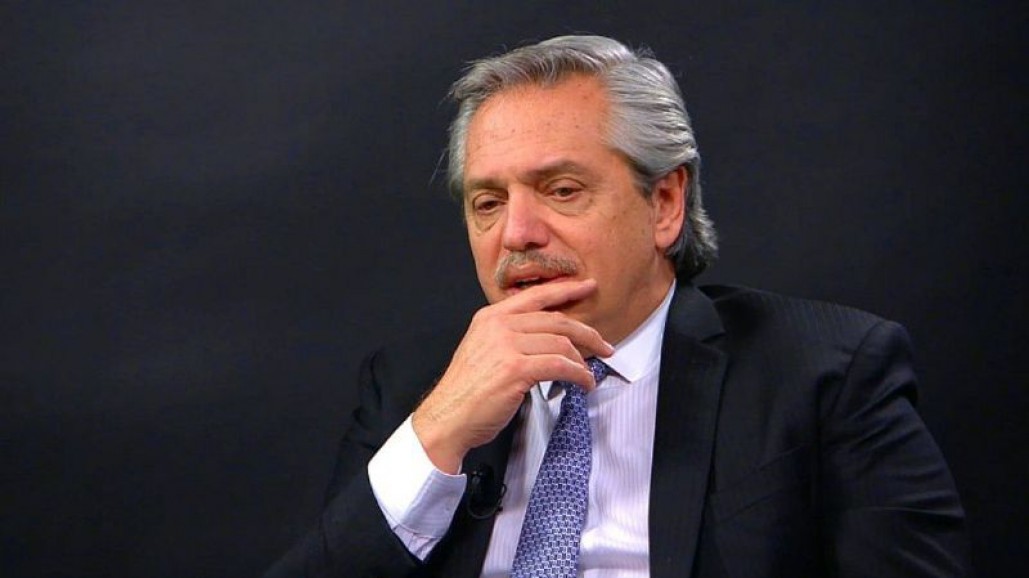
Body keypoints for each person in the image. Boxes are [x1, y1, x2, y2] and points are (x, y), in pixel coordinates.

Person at [266, 35, 970, 577]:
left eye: (562, 190)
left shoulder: (822, 372)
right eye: (488, 202)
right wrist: (438, 432)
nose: (516, 233)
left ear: (664, 204)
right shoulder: (412, 386)